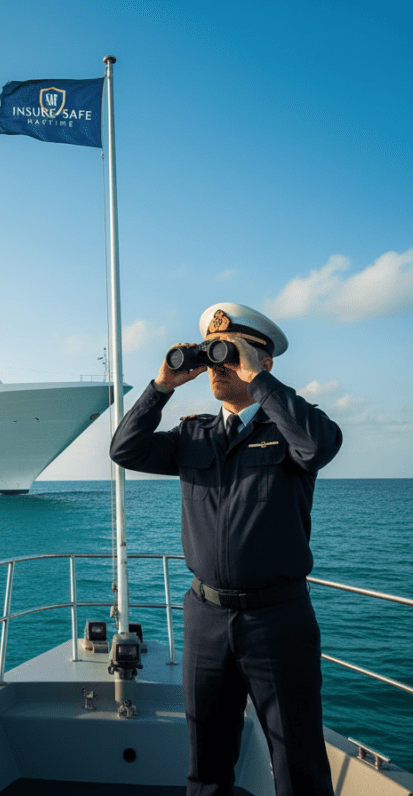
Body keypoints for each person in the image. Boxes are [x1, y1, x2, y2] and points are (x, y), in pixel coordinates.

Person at [109, 302, 343, 796]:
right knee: (206, 765)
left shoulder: (293, 428)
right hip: (206, 620)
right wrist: (161, 389)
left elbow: (317, 448)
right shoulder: (195, 435)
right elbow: (124, 450)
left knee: (298, 764)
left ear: (264, 362)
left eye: (230, 354)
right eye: (214, 357)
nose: (218, 367)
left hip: (277, 620)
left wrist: (259, 382)